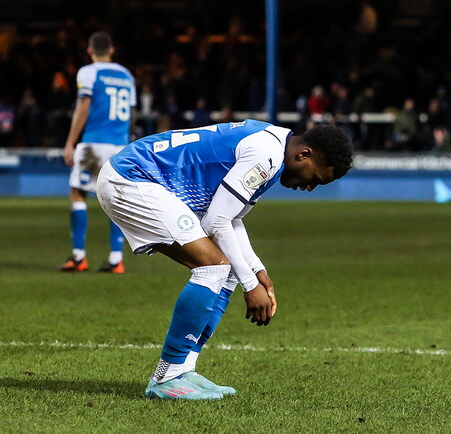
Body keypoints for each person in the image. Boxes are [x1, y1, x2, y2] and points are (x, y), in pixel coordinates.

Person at [95, 120, 353, 399]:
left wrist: (257, 271)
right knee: (213, 267)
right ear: (304, 154)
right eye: (315, 178)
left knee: (225, 270)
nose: (310, 187)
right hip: (132, 178)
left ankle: (183, 370)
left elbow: (231, 219)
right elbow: (216, 222)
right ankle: (166, 377)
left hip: (140, 178)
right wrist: (250, 286)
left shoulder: (273, 148)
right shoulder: (265, 155)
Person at [60, 32, 137, 274]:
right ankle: (116, 259)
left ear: (90, 50)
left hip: (94, 142)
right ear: (112, 50)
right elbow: (132, 113)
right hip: (120, 145)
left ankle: (79, 256)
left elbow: (83, 105)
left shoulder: (88, 72)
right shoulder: (127, 75)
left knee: (78, 193)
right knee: (116, 198)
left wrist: (70, 142)